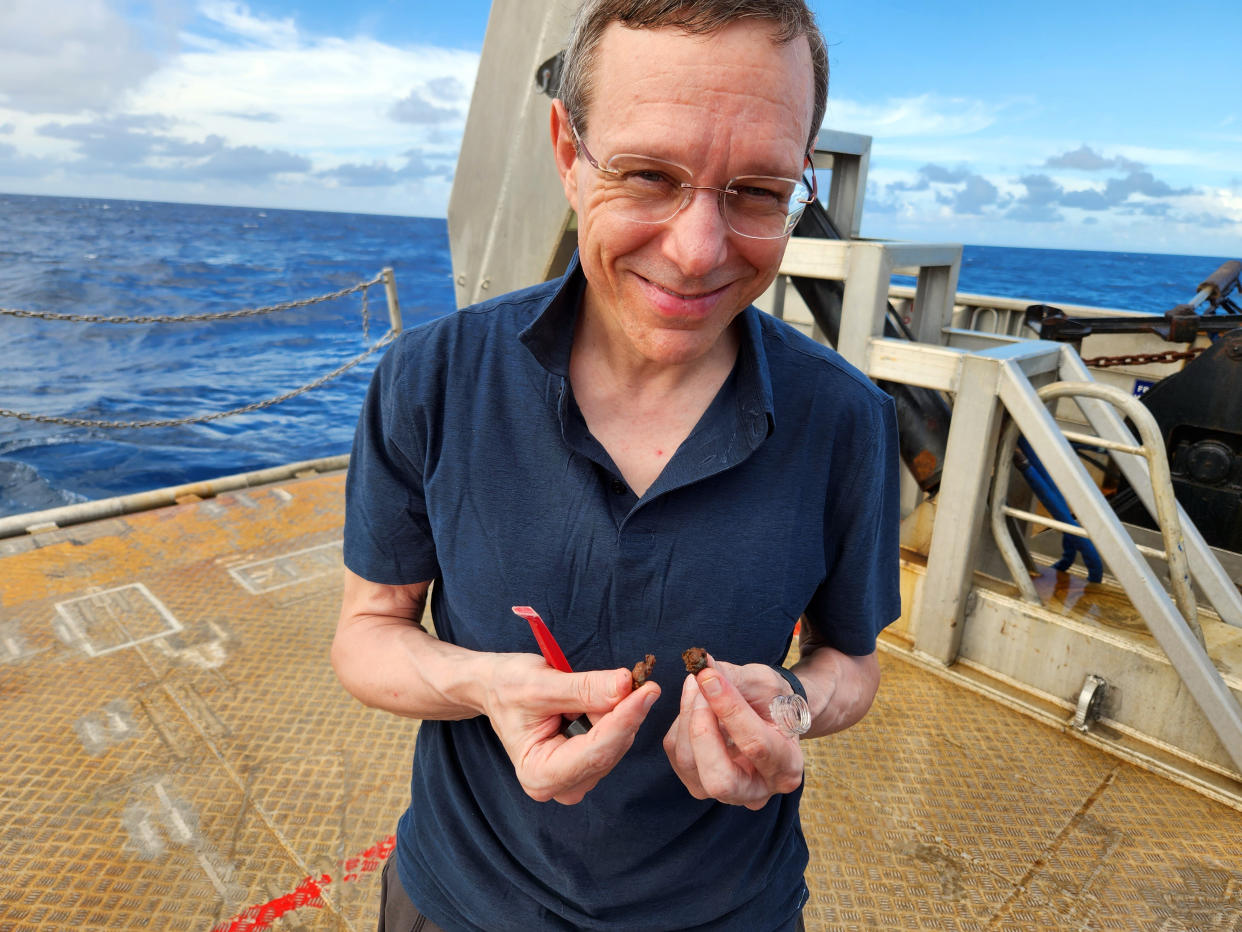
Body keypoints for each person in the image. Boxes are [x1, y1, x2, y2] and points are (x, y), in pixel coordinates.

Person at [331, 1, 900, 929]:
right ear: (567, 150)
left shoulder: (846, 419)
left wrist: (791, 705)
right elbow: (367, 630)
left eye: (758, 192)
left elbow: (853, 663)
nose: (697, 252)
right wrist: (486, 684)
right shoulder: (430, 378)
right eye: (646, 174)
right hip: (460, 899)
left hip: (730, 910)